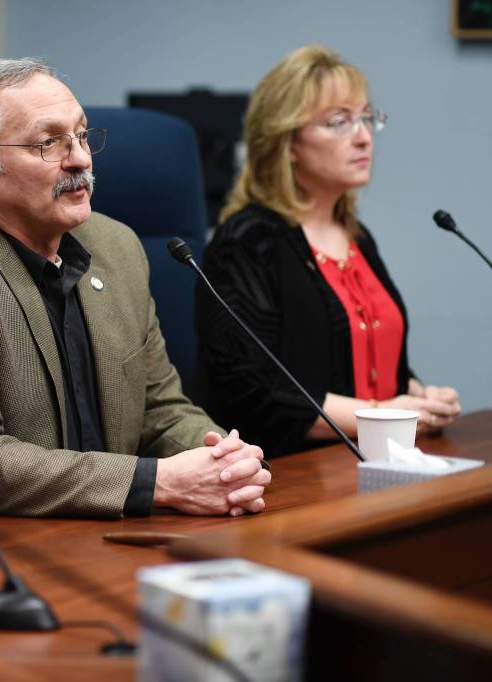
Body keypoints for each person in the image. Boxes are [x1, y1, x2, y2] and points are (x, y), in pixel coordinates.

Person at [0, 59, 271, 533]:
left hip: (78, 532)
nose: (80, 159)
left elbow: (160, 409)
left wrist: (223, 462)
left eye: (82, 136)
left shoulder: (118, 246)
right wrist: (158, 481)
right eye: (49, 143)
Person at [194, 45, 461, 457]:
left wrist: (422, 398)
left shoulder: (358, 237)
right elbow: (254, 389)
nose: (363, 137)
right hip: (290, 476)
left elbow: (362, 357)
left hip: (379, 459)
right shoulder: (246, 243)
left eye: (367, 118)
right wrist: (385, 414)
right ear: (287, 143)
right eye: (339, 122)